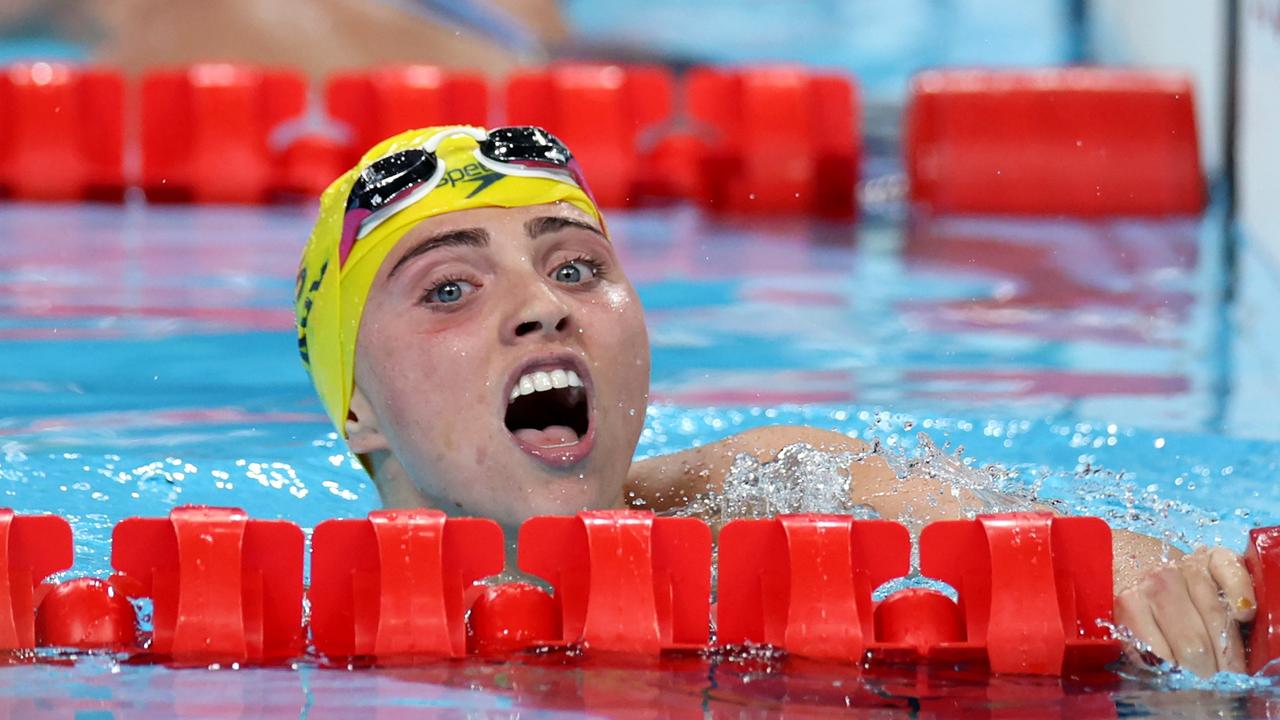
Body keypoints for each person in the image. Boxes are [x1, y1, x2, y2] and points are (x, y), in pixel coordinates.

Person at [295, 124, 1257, 677]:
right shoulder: (282, 628)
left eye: (578, 267)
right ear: (358, 411)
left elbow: (1056, 544)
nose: (543, 307)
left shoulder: (762, 487)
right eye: (450, 289)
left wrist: (1151, 587)